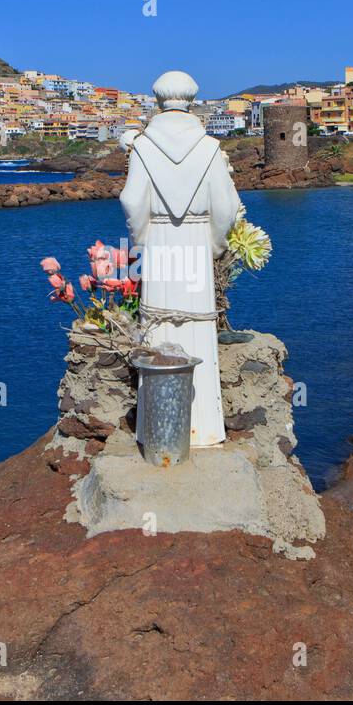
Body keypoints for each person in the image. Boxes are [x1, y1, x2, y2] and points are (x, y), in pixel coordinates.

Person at [119, 71, 241, 448]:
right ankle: (203, 428)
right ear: (191, 101)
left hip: (159, 243)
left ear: (158, 101)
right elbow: (227, 207)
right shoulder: (209, 147)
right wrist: (214, 245)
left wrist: (143, 241)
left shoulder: (142, 147)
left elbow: (131, 200)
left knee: (157, 326)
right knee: (197, 326)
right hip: (196, 241)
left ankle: (155, 430)